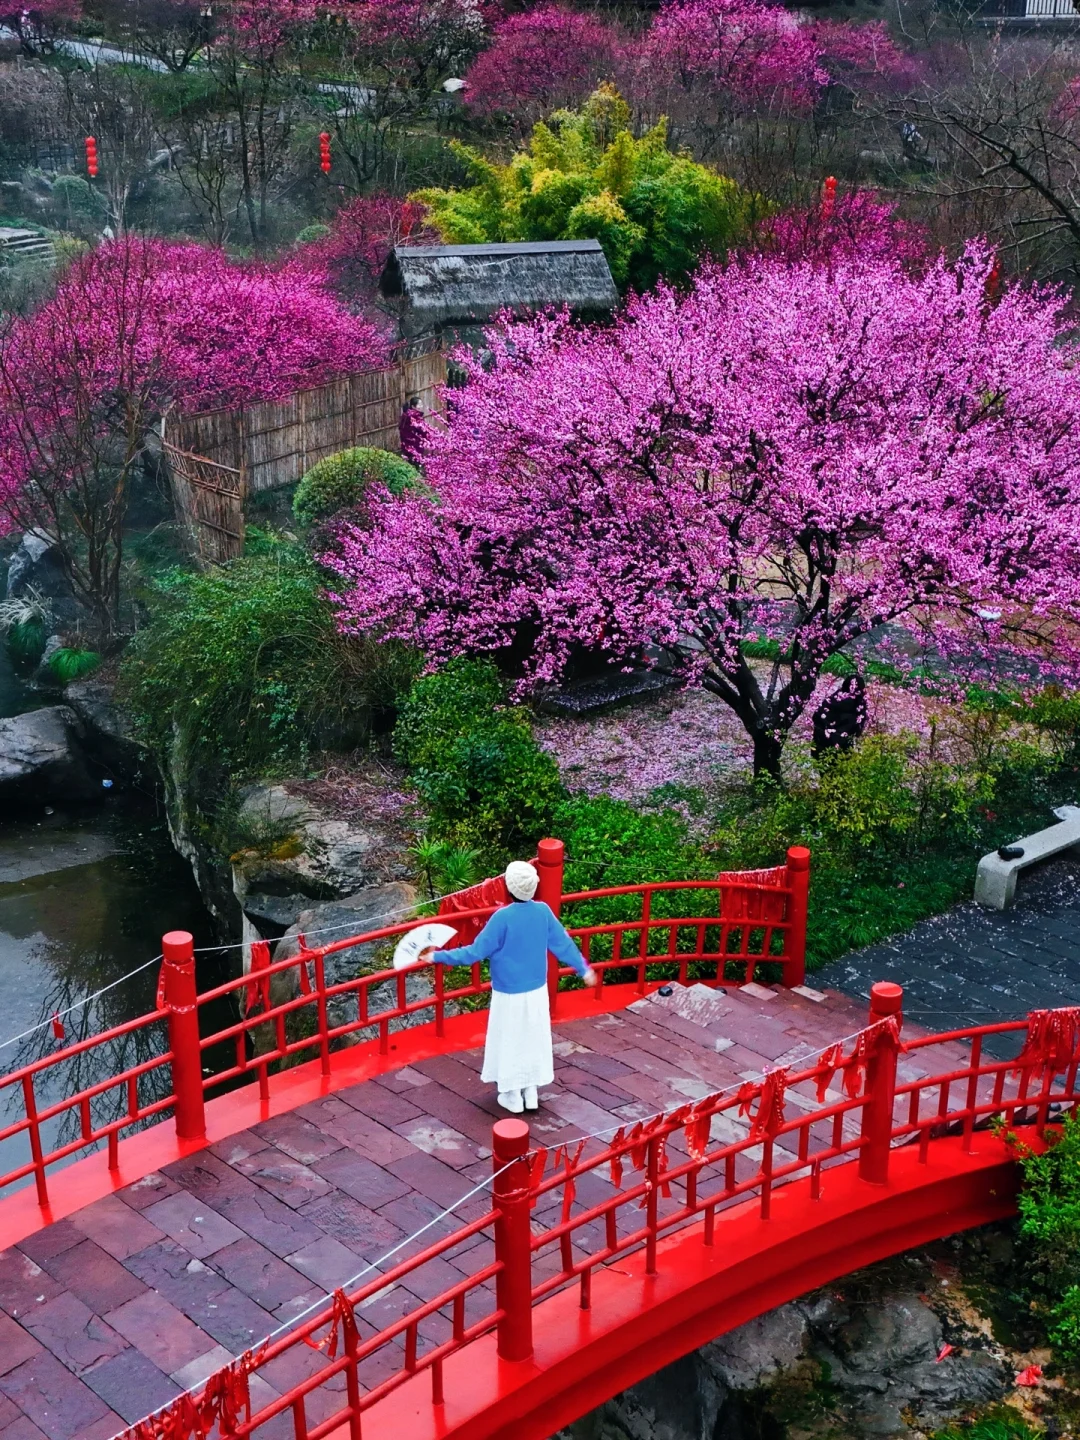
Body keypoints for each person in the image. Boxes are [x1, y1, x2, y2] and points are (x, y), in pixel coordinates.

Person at [419, 860, 597, 1113]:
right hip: (536, 990)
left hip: (507, 991)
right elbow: (563, 944)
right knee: (533, 1037)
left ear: (508, 887)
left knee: (509, 1039)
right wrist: (584, 969)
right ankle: (531, 1091)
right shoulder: (544, 911)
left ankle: (512, 1094)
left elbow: (473, 953)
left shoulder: (501, 917)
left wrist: (437, 956)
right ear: (534, 886)